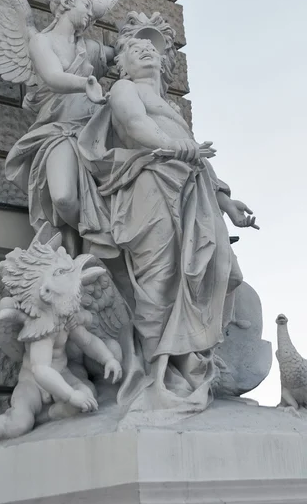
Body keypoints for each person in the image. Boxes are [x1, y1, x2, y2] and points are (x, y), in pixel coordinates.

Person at [79, 37, 258, 412]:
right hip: (150, 186)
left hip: (192, 191)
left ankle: (189, 363)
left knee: (204, 273)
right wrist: (179, 149)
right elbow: (135, 125)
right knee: (159, 279)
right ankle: (155, 376)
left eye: (151, 48)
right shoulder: (125, 89)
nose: (146, 51)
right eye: (134, 49)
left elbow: (197, 158)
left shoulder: (171, 106)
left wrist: (227, 201)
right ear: (122, 66)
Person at [5, 0, 114, 252]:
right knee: (63, 197)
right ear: (66, 3)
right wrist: (86, 83)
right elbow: (53, 77)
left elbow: (124, 55)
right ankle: (101, 239)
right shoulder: (41, 41)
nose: (90, 13)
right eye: (86, 5)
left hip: (94, 131)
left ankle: (92, 249)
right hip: (59, 131)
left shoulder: (87, 47)